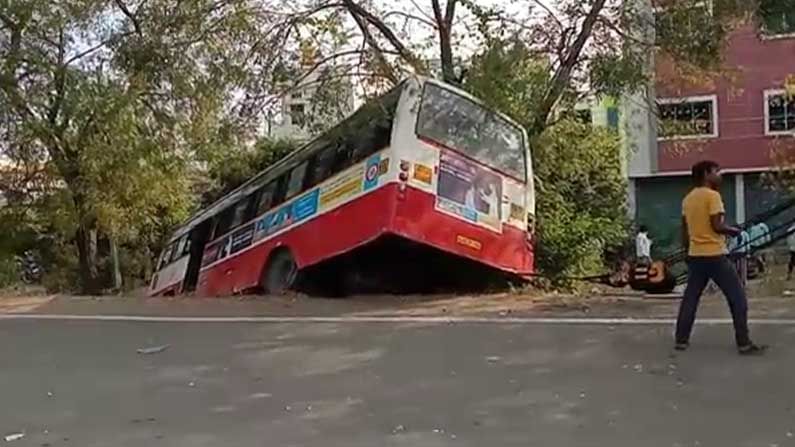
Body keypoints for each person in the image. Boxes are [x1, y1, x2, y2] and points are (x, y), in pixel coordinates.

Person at [676, 160, 766, 355]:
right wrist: (735, 231)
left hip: (695, 255)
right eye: (717, 171)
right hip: (715, 255)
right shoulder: (713, 196)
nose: (720, 175)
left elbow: (684, 231)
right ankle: (744, 342)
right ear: (707, 174)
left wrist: (687, 252)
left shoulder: (688, 199)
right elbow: (717, 226)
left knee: (691, 297)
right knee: (737, 297)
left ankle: (681, 340)